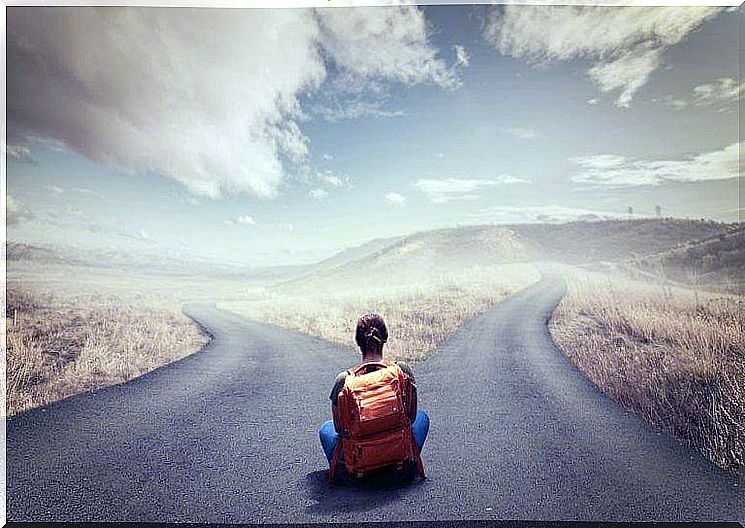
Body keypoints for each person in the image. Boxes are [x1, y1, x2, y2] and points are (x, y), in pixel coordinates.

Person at [319, 313, 430, 465]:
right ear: (385, 338)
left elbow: (340, 428)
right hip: (397, 449)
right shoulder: (402, 370)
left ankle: (346, 466)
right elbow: (411, 417)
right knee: (422, 417)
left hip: (360, 457)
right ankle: (404, 458)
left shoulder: (343, 380)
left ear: (358, 342)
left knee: (326, 428)